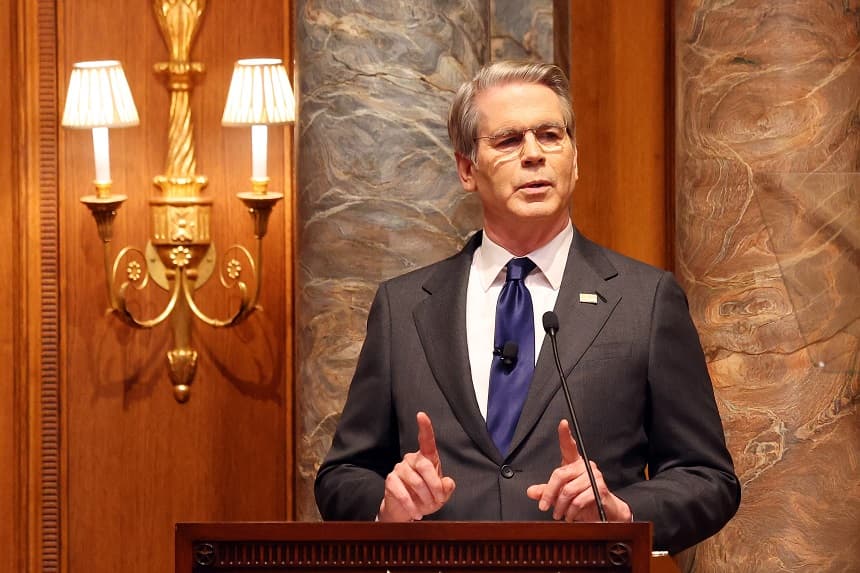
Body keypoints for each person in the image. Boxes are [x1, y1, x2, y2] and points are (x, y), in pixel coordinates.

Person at [314, 60, 740, 554]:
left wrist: (622, 512)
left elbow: (708, 478)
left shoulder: (644, 301)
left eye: (550, 135)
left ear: (575, 159)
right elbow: (342, 475)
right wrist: (388, 506)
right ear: (467, 170)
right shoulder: (403, 307)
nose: (534, 154)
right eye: (509, 140)